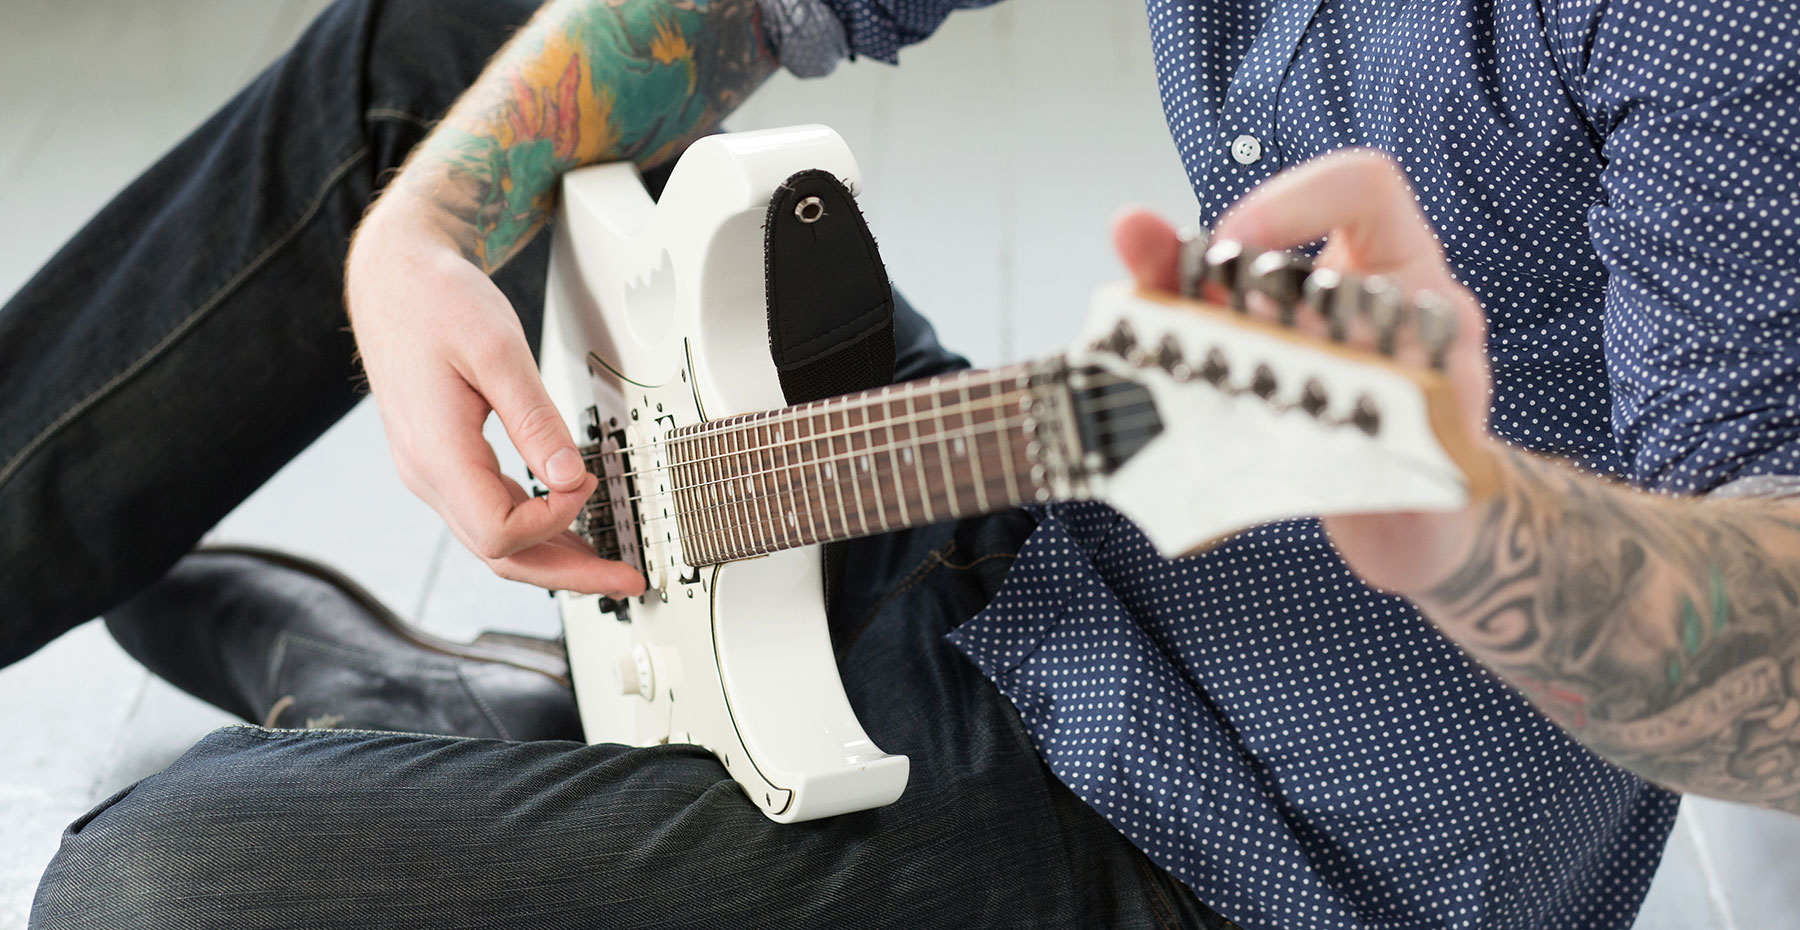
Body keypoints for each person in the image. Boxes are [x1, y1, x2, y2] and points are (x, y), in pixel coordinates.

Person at [5, 0, 1797, 927]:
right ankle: (492, 707)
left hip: (1231, 856)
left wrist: (1469, 529)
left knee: (155, 891)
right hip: (1026, 529)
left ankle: (443, 711)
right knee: (460, 60)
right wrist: (427, 232)